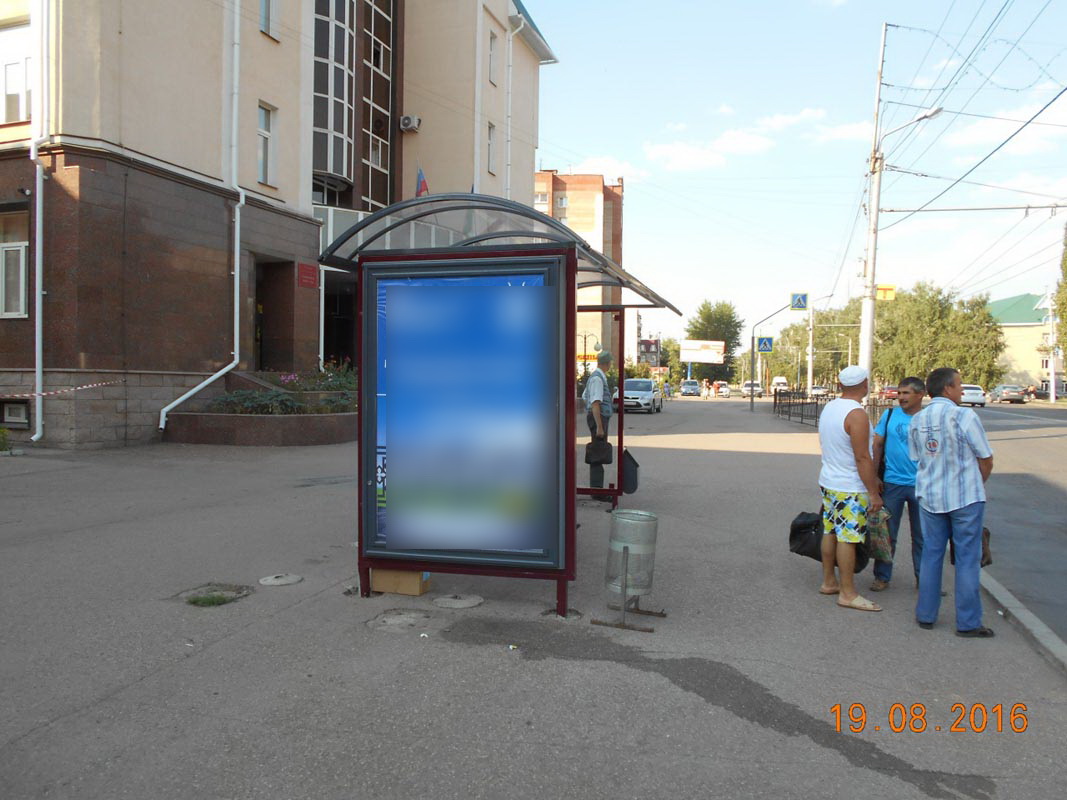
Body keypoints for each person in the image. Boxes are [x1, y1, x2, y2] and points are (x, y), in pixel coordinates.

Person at [909, 367, 995, 637]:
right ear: (947, 389)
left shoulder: (917, 419)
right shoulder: (964, 416)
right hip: (965, 497)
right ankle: (968, 623)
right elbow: (985, 458)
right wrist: (976, 483)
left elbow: (917, 458)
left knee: (931, 555)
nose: (961, 390)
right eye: (959, 385)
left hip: (930, 497)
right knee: (967, 559)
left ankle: (926, 615)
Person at [818, 365, 884, 612]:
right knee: (848, 537)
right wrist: (873, 492)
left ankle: (829, 581)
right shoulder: (856, 414)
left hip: (829, 480)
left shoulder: (830, 407)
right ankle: (847, 593)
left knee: (830, 531)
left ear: (840, 385)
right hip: (849, 487)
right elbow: (862, 457)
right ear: (865, 384)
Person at [869, 376, 927, 592]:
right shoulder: (890, 415)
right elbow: (877, 445)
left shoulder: (928, 418)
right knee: (887, 534)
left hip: (922, 485)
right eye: (899, 393)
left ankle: (924, 579)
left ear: (920, 395)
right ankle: (882, 576)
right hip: (892, 483)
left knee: (922, 537)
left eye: (906, 393)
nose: (900, 397)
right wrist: (875, 476)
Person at [582, 351, 613, 493]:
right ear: (607, 363)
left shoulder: (596, 377)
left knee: (598, 451)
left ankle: (597, 489)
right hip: (598, 418)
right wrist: (599, 426)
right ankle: (597, 490)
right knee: (598, 453)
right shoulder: (598, 379)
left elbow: (585, 396)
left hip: (596, 417)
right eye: (610, 362)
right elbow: (595, 403)